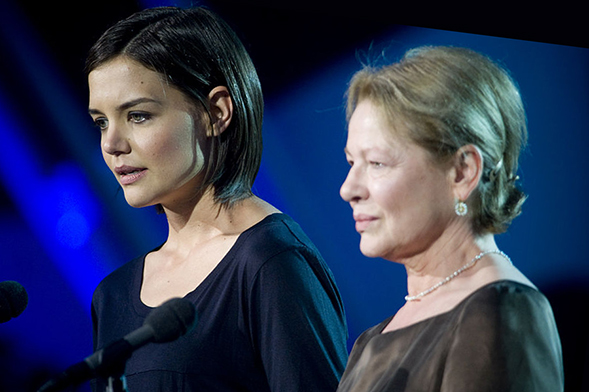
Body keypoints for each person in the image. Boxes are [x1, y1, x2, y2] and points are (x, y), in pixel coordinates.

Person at [85, 6, 347, 392]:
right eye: (101, 122)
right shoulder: (112, 295)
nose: (111, 144)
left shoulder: (271, 262)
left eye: (138, 116)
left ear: (216, 112)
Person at [336, 46, 564, 391]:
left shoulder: (501, 312)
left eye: (378, 163)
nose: (348, 189)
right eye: (352, 162)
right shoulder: (370, 341)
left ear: (462, 172)